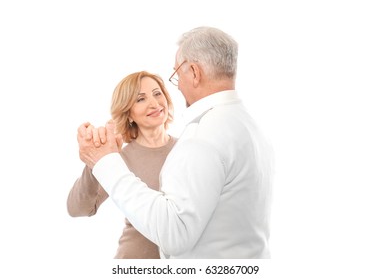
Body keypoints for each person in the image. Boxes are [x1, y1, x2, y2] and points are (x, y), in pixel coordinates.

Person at [78, 26, 274, 258]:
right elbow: (79, 208)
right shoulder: (246, 125)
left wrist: (106, 162)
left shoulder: (202, 138)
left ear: (194, 71)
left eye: (177, 74)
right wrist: (97, 165)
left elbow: (174, 234)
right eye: (140, 99)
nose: (178, 84)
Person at [67, 71, 177, 259]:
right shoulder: (120, 159)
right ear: (129, 114)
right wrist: (97, 160)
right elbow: (78, 209)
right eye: (141, 99)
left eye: (157, 94)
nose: (154, 103)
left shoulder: (189, 149)